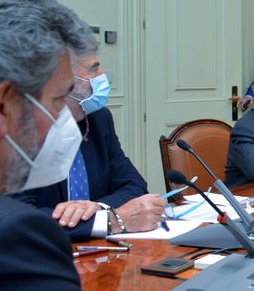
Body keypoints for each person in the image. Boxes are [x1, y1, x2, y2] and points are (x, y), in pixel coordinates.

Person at [0, 0, 159, 291]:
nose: (64, 118)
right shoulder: (9, 236)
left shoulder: (99, 121)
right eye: (58, 98)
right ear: (3, 108)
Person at [15, 46, 164, 241]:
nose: (102, 76)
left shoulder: (98, 119)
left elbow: (134, 184)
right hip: (37, 257)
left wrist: (98, 208)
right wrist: (111, 221)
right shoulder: (17, 130)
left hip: (100, 255)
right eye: (94, 69)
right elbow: (18, 218)